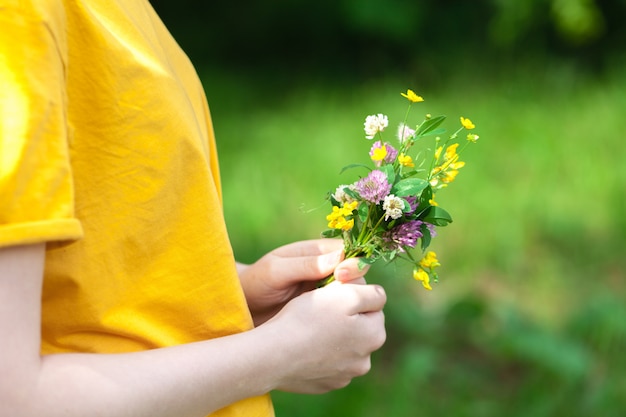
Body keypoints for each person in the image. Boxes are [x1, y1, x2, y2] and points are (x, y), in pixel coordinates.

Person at [0, 1, 387, 416]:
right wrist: (280, 352)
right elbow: (15, 399)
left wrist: (229, 294)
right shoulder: (19, 21)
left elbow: (91, 279)